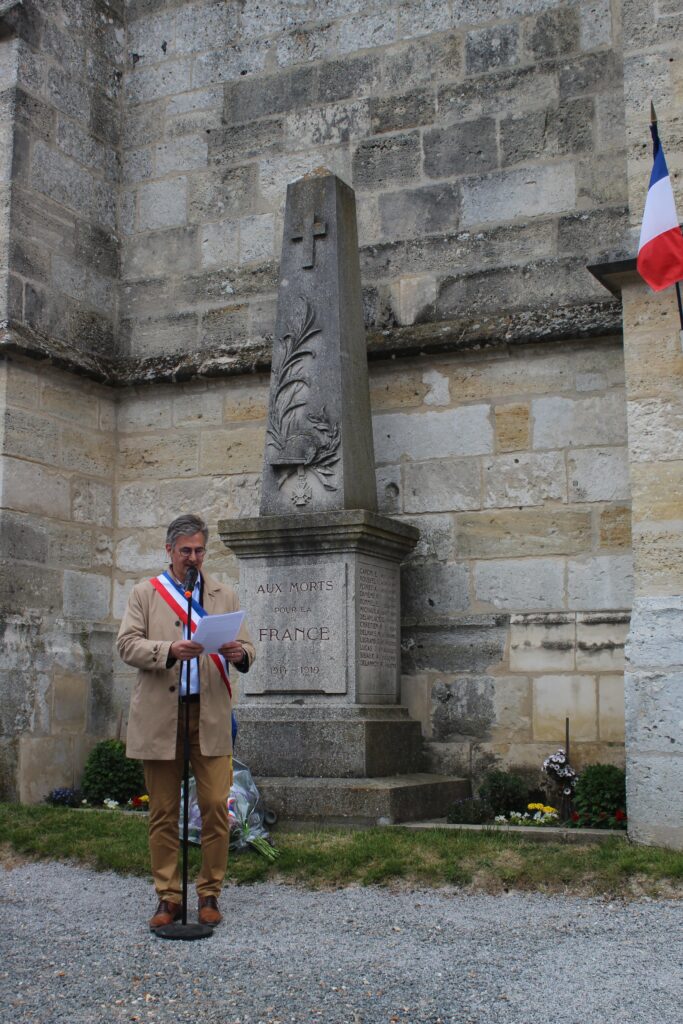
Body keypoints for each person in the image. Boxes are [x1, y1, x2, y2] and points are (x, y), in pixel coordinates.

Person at [117, 513, 255, 930]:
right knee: (162, 810)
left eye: (198, 550)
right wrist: (169, 650)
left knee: (215, 805)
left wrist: (241, 655)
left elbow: (247, 645)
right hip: (161, 715)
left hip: (209, 714)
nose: (192, 558)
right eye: (185, 551)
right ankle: (168, 897)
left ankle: (209, 891)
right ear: (169, 551)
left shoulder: (222, 594)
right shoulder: (146, 593)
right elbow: (126, 645)